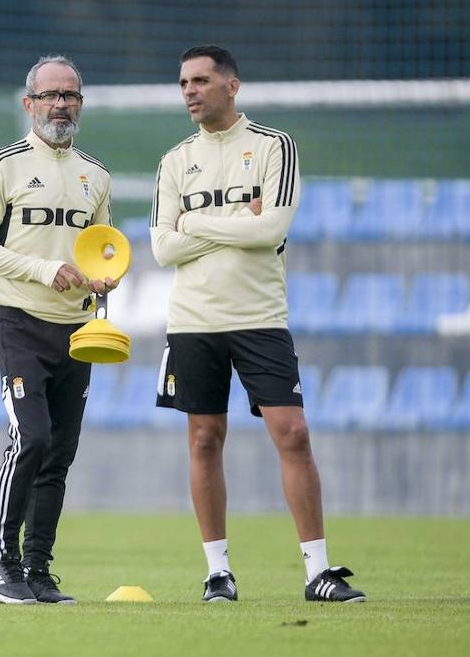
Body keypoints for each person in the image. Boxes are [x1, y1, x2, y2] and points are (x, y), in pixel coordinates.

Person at [151, 45, 366, 603]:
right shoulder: (175, 161)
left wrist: (196, 221)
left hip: (260, 319)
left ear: (232, 86)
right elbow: (161, 247)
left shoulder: (273, 147)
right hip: (193, 321)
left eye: (200, 80)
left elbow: (269, 231)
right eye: (183, 84)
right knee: (204, 439)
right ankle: (217, 572)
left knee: (292, 433)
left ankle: (317, 571)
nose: (190, 91)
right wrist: (231, 220)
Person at [0, 55, 118, 605]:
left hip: (76, 329)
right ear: (29, 103)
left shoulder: (95, 175)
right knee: (31, 437)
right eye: (50, 95)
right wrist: (43, 270)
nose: (61, 105)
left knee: (59, 455)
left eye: (70, 96)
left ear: (81, 103)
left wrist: (105, 279)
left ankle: (37, 569)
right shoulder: (2, 164)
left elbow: (103, 248)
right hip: (19, 321)